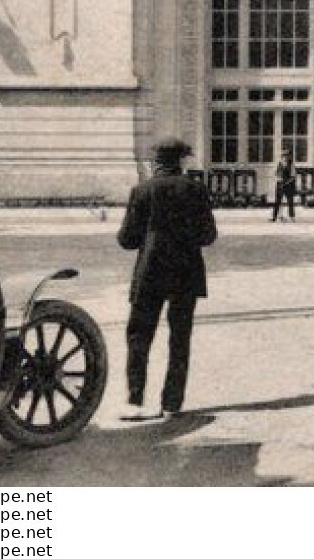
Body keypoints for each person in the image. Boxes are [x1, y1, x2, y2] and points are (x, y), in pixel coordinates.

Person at [117, 137, 217, 420]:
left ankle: (135, 401)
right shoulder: (196, 190)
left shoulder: (142, 191)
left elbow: (127, 240)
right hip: (186, 274)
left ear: (155, 163)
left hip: (150, 273)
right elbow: (208, 236)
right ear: (180, 161)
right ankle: (172, 403)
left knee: (139, 336)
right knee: (180, 338)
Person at [271, 146, 298, 222]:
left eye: (286, 156)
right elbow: (276, 174)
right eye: (283, 156)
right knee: (277, 201)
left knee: (290, 201)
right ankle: (275, 217)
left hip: (288, 185)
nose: (285, 157)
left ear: (289, 157)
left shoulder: (291, 165)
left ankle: (292, 217)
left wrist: (287, 182)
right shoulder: (279, 164)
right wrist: (279, 179)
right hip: (280, 184)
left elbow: (293, 176)